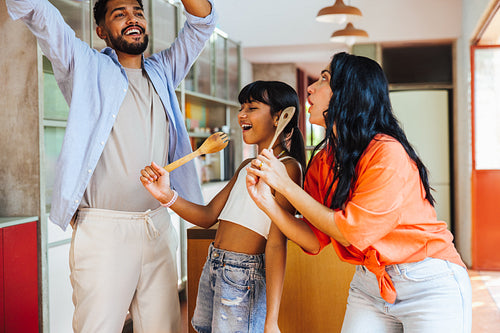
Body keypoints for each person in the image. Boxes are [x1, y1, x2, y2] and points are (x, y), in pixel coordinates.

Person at [6, 0, 216, 331]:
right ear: (102, 31)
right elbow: (39, 12)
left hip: (157, 226)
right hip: (104, 231)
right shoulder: (83, 65)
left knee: (164, 328)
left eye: (138, 12)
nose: (132, 19)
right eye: (119, 14)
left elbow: (201, 23)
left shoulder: (163, 71)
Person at [246, 53, 472, 332]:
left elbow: (351, 231)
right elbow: (315, 241)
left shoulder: (387, 153)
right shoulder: (322, 161)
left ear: (350, 93)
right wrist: (267, 202)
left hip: (428, 282)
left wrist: (286, 186)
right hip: (369, 285)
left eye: (324, 79)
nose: (310, 88)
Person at [140, 80, 306, 333]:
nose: (242, 114)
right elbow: (207, 216)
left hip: (243, 275)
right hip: (214, 264)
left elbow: (275, 244)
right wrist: (166, 196)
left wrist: (271, 320)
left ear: (279, 117)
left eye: (252, 107)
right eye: (242, 107)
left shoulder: (288, 168)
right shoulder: (246, 166)